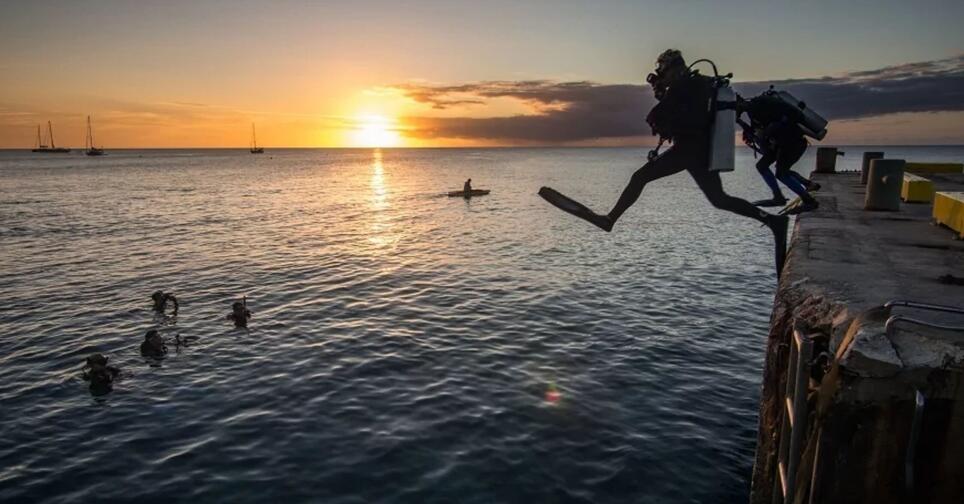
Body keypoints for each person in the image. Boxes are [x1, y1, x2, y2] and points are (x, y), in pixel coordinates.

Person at [539, 49, 790, 276]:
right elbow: (683, 113)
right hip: (700, 150)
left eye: (663, 71)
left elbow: (658, 118)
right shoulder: (699, 84)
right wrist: (664, 95)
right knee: (719, 199)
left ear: (674, 69)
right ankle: (773, 221)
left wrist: (662, 95)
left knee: (640, 177)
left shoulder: (684, 87)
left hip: (689, 150)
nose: (662, 76)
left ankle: (609, 220)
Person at [737, 92, 820, 212]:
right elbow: (760, 132)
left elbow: (794, 114)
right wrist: (742, 125)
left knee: (781, 173)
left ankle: (809, 201)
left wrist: (775, 126)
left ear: (739, 102)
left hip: (793, 142)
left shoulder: (760, 103)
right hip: (781, 144)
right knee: (762, 166)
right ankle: (779, 196)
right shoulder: (752, 113)